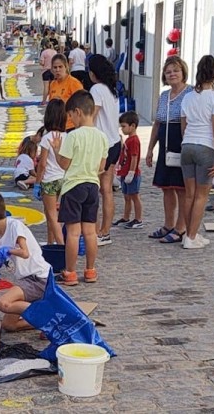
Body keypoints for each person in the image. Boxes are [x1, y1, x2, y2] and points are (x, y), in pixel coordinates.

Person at [50, 90, 108, 286]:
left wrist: (57, 150)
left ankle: (70, 272)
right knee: (90, 232)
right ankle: (90, 270)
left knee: (73, 233)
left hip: (74, 186)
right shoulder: (102, 137)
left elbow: (64, 164)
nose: (71, 120)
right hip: (93, 186)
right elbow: (102, 167)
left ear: (78, 112)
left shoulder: (73, 137)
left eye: (71, 116)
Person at [0, 190, 51, 332]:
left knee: (3, 302)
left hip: (38, 279)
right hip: (26, 281)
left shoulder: (14, 225)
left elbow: (25, 253)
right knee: (9, 325)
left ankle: (48, 317)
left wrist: (8, 250)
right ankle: (44, 321)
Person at [145, 56, 193, 243]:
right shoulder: (164, 95)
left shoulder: (190, 93)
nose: (172, 74)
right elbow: (157, 123)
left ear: (183, 72)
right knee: (167, 188)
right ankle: (168, 224)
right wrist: (150, 149)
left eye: (176, 70)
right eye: (168, 71)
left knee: (181, 188)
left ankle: (181, 227)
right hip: (165, 144)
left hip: (181, 141)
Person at [180, 55, 214, 249]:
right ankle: (191, 236)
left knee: (189, 194)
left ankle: (189, 234)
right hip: (205, 147)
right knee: (201, 196)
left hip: (187, 146)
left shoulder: (187, 97)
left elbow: (183, 126)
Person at [88, 54, 121, 246]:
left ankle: (94, 231)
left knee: (93, 189)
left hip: (101, 145)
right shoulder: (112, 90)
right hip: (114, 141)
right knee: (107, 190)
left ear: (93, 73)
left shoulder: (96, 89)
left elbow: (93, 115)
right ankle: (105, 232)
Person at [34, 100, 67, 245]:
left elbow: (42, 163)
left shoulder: (47, 138)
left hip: (49, 180)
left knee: (52, 216)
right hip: (63, 179)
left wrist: (37, 182)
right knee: (50, 214)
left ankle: (61, 246)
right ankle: (50, 242)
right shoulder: (67, 137)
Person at [114, 111, 144, 229]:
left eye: (124, 126)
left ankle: (138, 219)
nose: (122, 129)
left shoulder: (134, 140)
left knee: (134, 196)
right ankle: (126, 217)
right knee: (126, 196)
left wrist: (131, 172)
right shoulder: (128, 140)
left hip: (132, 174)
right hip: (124, 172)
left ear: (132, 126)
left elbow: (134, 157)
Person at [48, 54, 84, 132]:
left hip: (71, 126)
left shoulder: (74, 83)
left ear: (66, 67)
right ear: (52, 69)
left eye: (60, 67)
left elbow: (82, 105)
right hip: (56, 126)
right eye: (55, 67)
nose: (57, 70)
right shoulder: (52, 84)